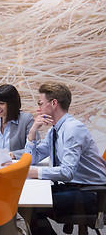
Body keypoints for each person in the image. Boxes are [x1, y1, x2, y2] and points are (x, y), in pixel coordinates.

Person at [25, 82, 106, 235]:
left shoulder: (72, 129)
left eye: (40, 103)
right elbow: (33, 158)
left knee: (31, 206)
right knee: (28, 200)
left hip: (93, 193)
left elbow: (67, 172)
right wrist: (32, 132)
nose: (38, 109)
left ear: (53, 103)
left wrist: (32, 172)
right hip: (74, 186)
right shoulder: (55, 130)